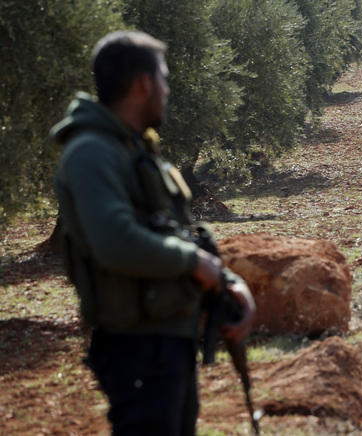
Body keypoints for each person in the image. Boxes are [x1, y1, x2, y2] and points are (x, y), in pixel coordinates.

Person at [50, 30, 256, 435]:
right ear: (144, 83)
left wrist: (229, 283)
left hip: (166, 339)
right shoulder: (92, 152)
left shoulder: (134, 150)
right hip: (135, 347)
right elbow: (116, 242)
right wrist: (195, 263)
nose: (167, 89)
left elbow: (173, 233)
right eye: (164, 78)